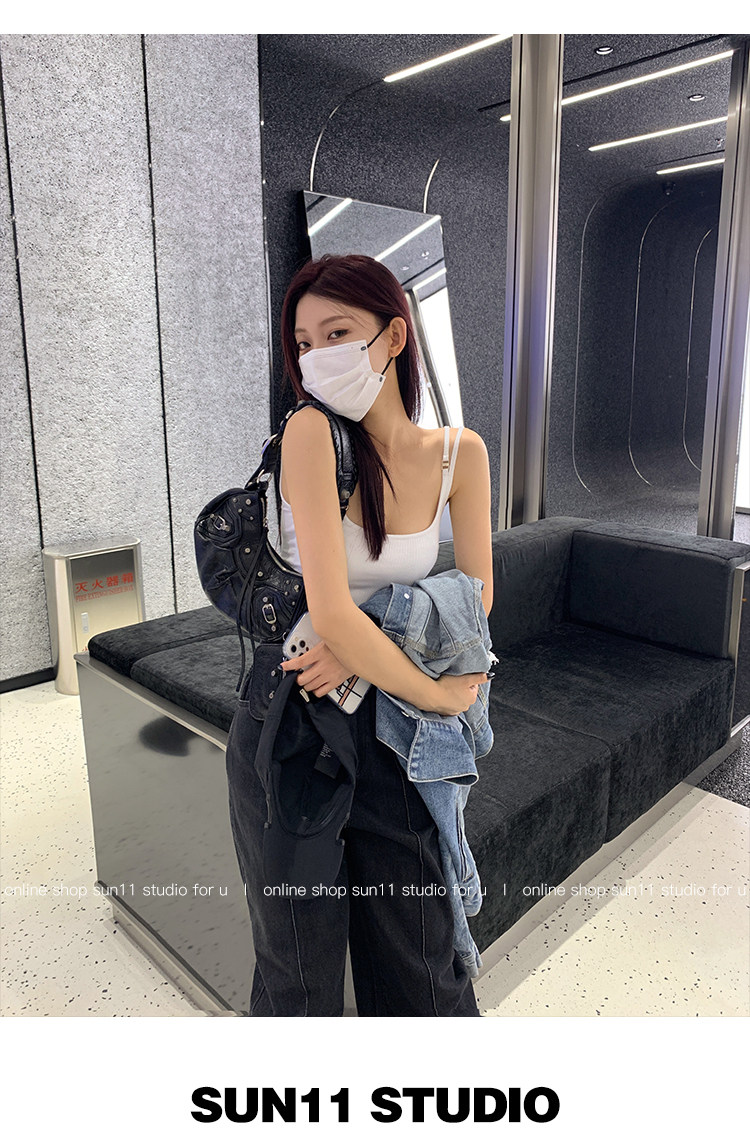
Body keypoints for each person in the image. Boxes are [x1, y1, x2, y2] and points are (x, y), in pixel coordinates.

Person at [225, 253, 493, 1016]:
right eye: (303, 343)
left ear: (395, 336)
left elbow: (476, 597)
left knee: (421, 964)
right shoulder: (311, 431)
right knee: (298, 968)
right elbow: (330, 612)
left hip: (393, 729)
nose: (316, 357)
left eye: (337, 333)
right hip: (296, 720)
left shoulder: (460, 454)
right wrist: (439, 692)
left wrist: (366, 646)